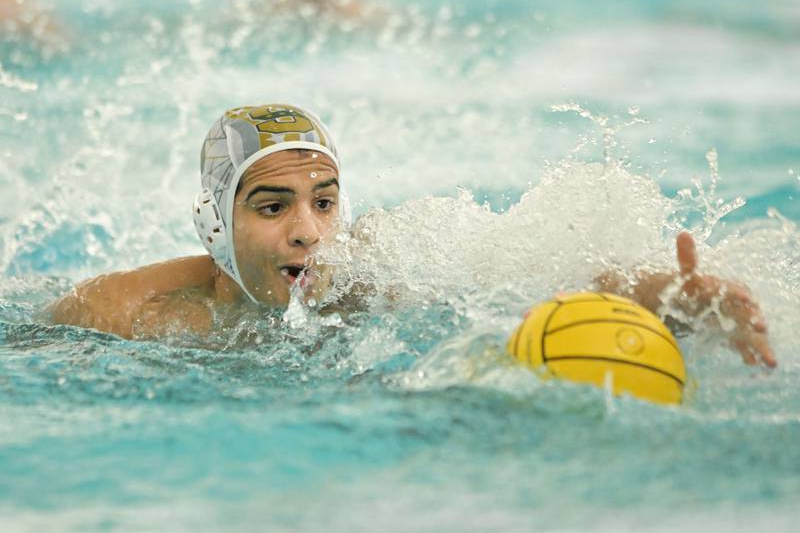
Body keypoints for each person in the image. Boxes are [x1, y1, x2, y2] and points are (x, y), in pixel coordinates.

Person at [47, 103, 777, 369]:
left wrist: (670, 297)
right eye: (272, 208)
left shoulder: (381, 271)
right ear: (214, 224)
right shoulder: (122, 311)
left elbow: (543, 271)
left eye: (324, 202)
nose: (310, 233)